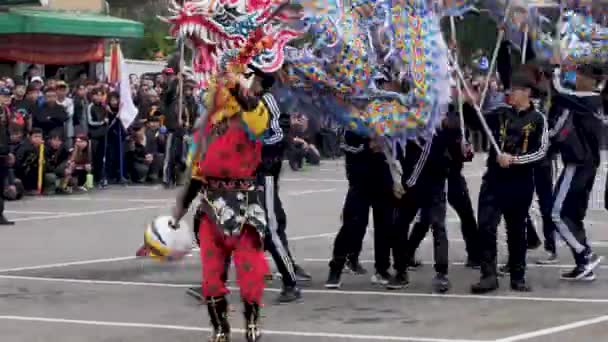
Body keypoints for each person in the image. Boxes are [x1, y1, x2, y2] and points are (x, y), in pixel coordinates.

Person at [170, 66, 271, 342]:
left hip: (245, 205)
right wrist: (179, 209)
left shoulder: (254, 115)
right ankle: (220, 328)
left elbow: (256, 116)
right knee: (210, 276)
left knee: (250, 271)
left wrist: (237, 82)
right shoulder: (207, 127)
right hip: (210, 206)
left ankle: (251, 324)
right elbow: (195, 172)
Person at [471, 69, 548, 294]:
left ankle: (518, 276)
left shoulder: (538, 119)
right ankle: (488, 275)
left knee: (516, 230)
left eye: (513, 90)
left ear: (526, 92)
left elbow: (541, 151)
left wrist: (514, 160)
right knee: (485, 226)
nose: (509, 94)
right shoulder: (501, 112)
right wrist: (470, 103)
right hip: (494, 180)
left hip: (520, 182)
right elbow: (477, 122)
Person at [548, 66, 604, 281]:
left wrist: (556, 69)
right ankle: (583, 265)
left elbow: (558, 91)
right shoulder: (594, 101)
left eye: (580, 76)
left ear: (590, 80)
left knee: (556, 213)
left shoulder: (586, 99)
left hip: (578, 164)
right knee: (573, 215)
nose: (576, 79)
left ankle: (585, 255)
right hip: (588, 164)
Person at [0, 87, 15, 225]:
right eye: (4, 96)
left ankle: (0, 214)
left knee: (1, 185)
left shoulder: (6, 111)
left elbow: (6, 134)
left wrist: (9, 151)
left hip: (3, 152)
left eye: (8, 96)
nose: (6, 99)